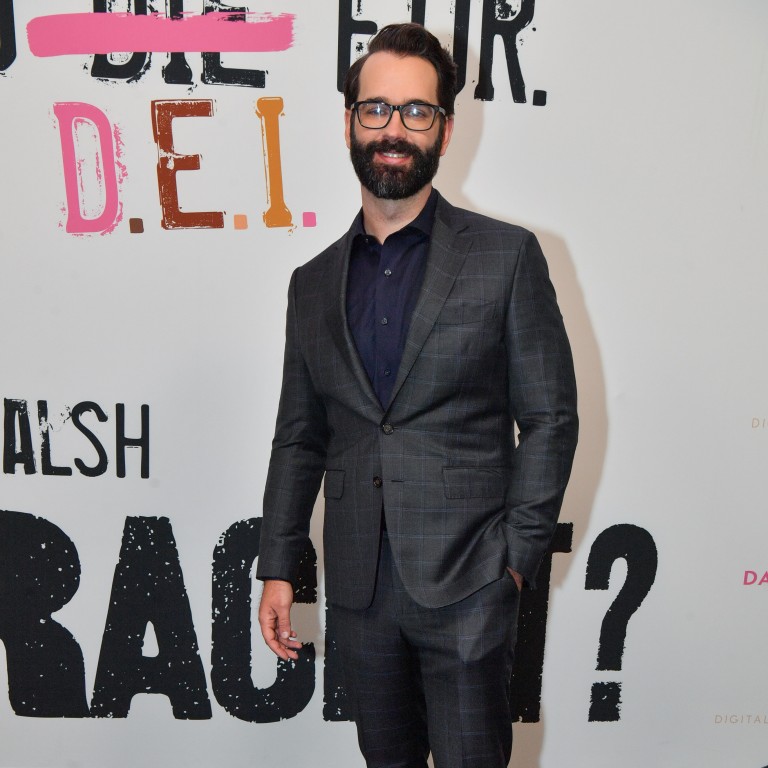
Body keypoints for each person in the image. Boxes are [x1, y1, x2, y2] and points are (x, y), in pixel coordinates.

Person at [257, 22, 578, 768]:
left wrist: (515, 563)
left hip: (471, 584)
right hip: (361, 595)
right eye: (375, 110)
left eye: (415, 112)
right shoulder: (311, 285)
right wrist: (279, 563)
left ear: (445, 129)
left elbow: (551, 419)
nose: (393, 130)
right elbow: (299, 436)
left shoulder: (506, 257)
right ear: (348, 123)